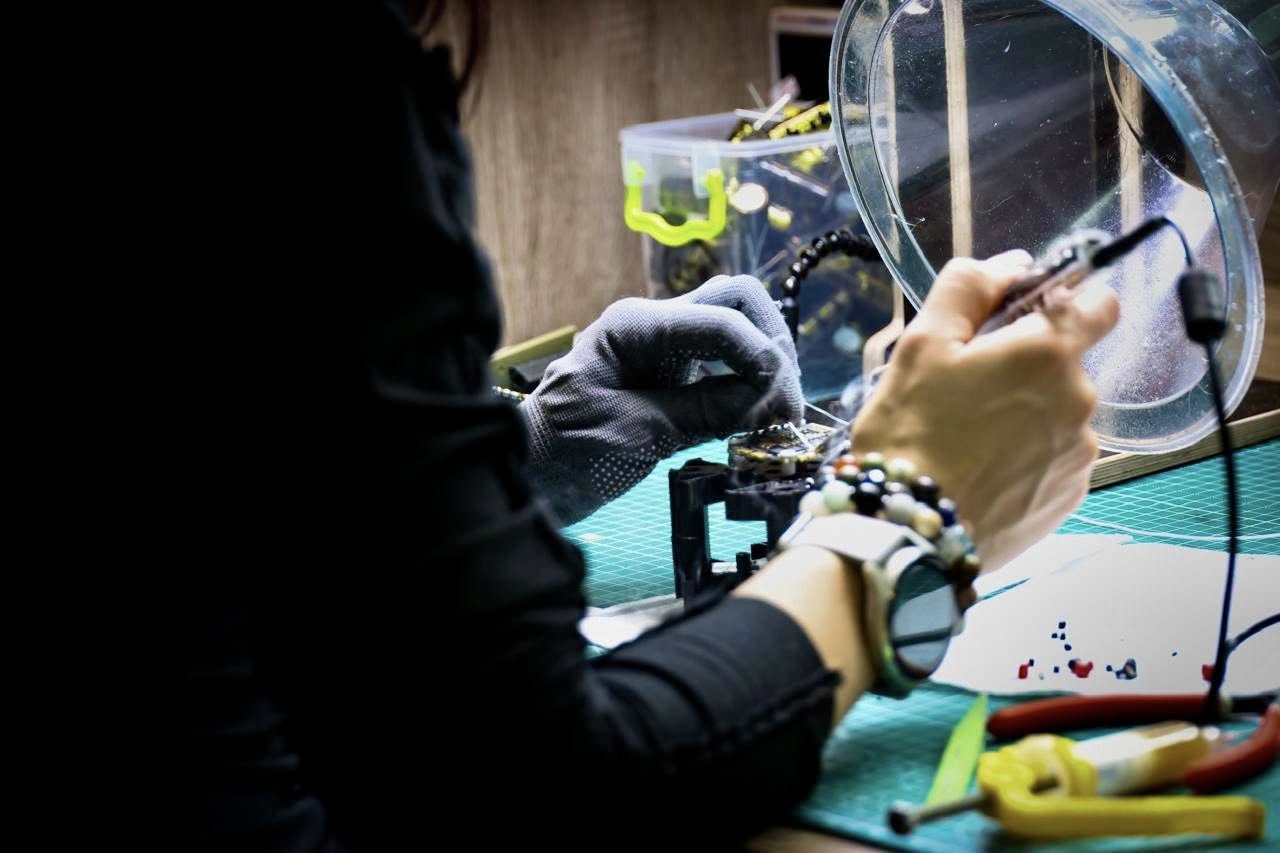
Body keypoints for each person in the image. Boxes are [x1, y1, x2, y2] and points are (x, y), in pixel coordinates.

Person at [167, 1, 1118, 848]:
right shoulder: (295, 59)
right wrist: (899, 520)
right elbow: (542, 791)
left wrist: (529, 446)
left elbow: (245, 466)